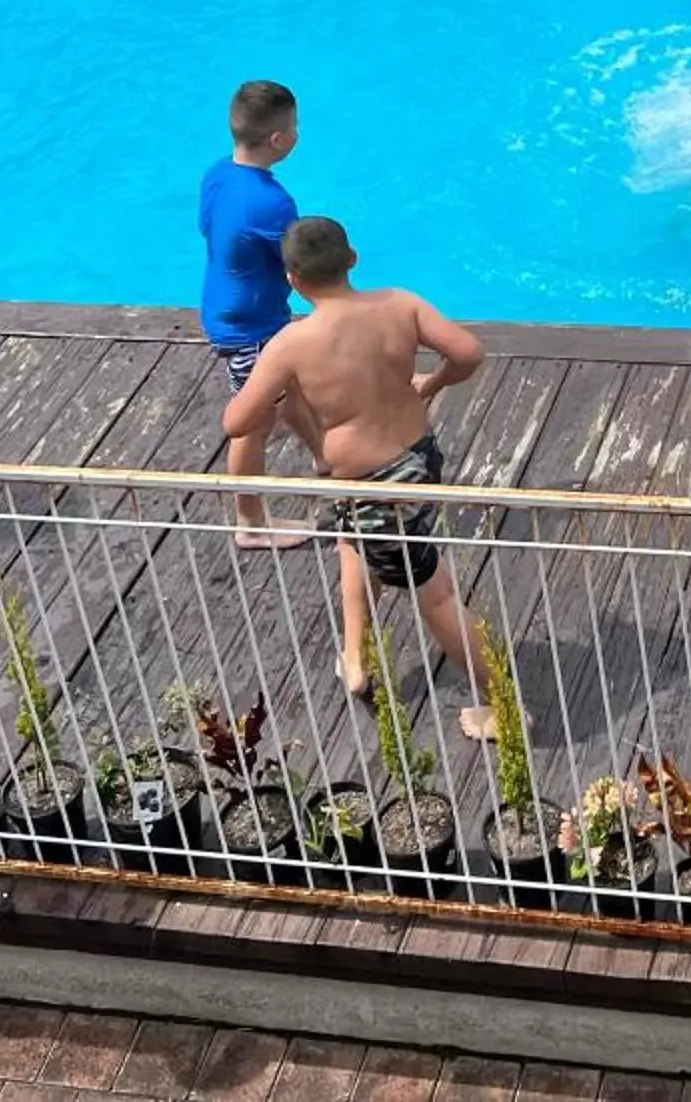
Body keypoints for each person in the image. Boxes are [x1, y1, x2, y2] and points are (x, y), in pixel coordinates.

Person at [223, 215, 497, 738]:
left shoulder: (291, 343)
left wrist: (280, 400)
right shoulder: (400, 303)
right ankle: (354, 658)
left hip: (378, 488)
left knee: (433, 591)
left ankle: (504, 707)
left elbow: (236, 421)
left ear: (292, 280)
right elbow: (468, 352)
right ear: (352, 260)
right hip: (414, 457)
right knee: (351, 541)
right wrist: (432, 384)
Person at [199, 79, 299, 397]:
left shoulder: (218, 173)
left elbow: (207, 226)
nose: (298, 133)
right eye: (295, 126)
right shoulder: (271, 201)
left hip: (222, 309)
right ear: (278, 140)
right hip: (252, 330)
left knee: (292, 396)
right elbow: (298, 263)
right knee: (255, 422)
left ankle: (322, 448)